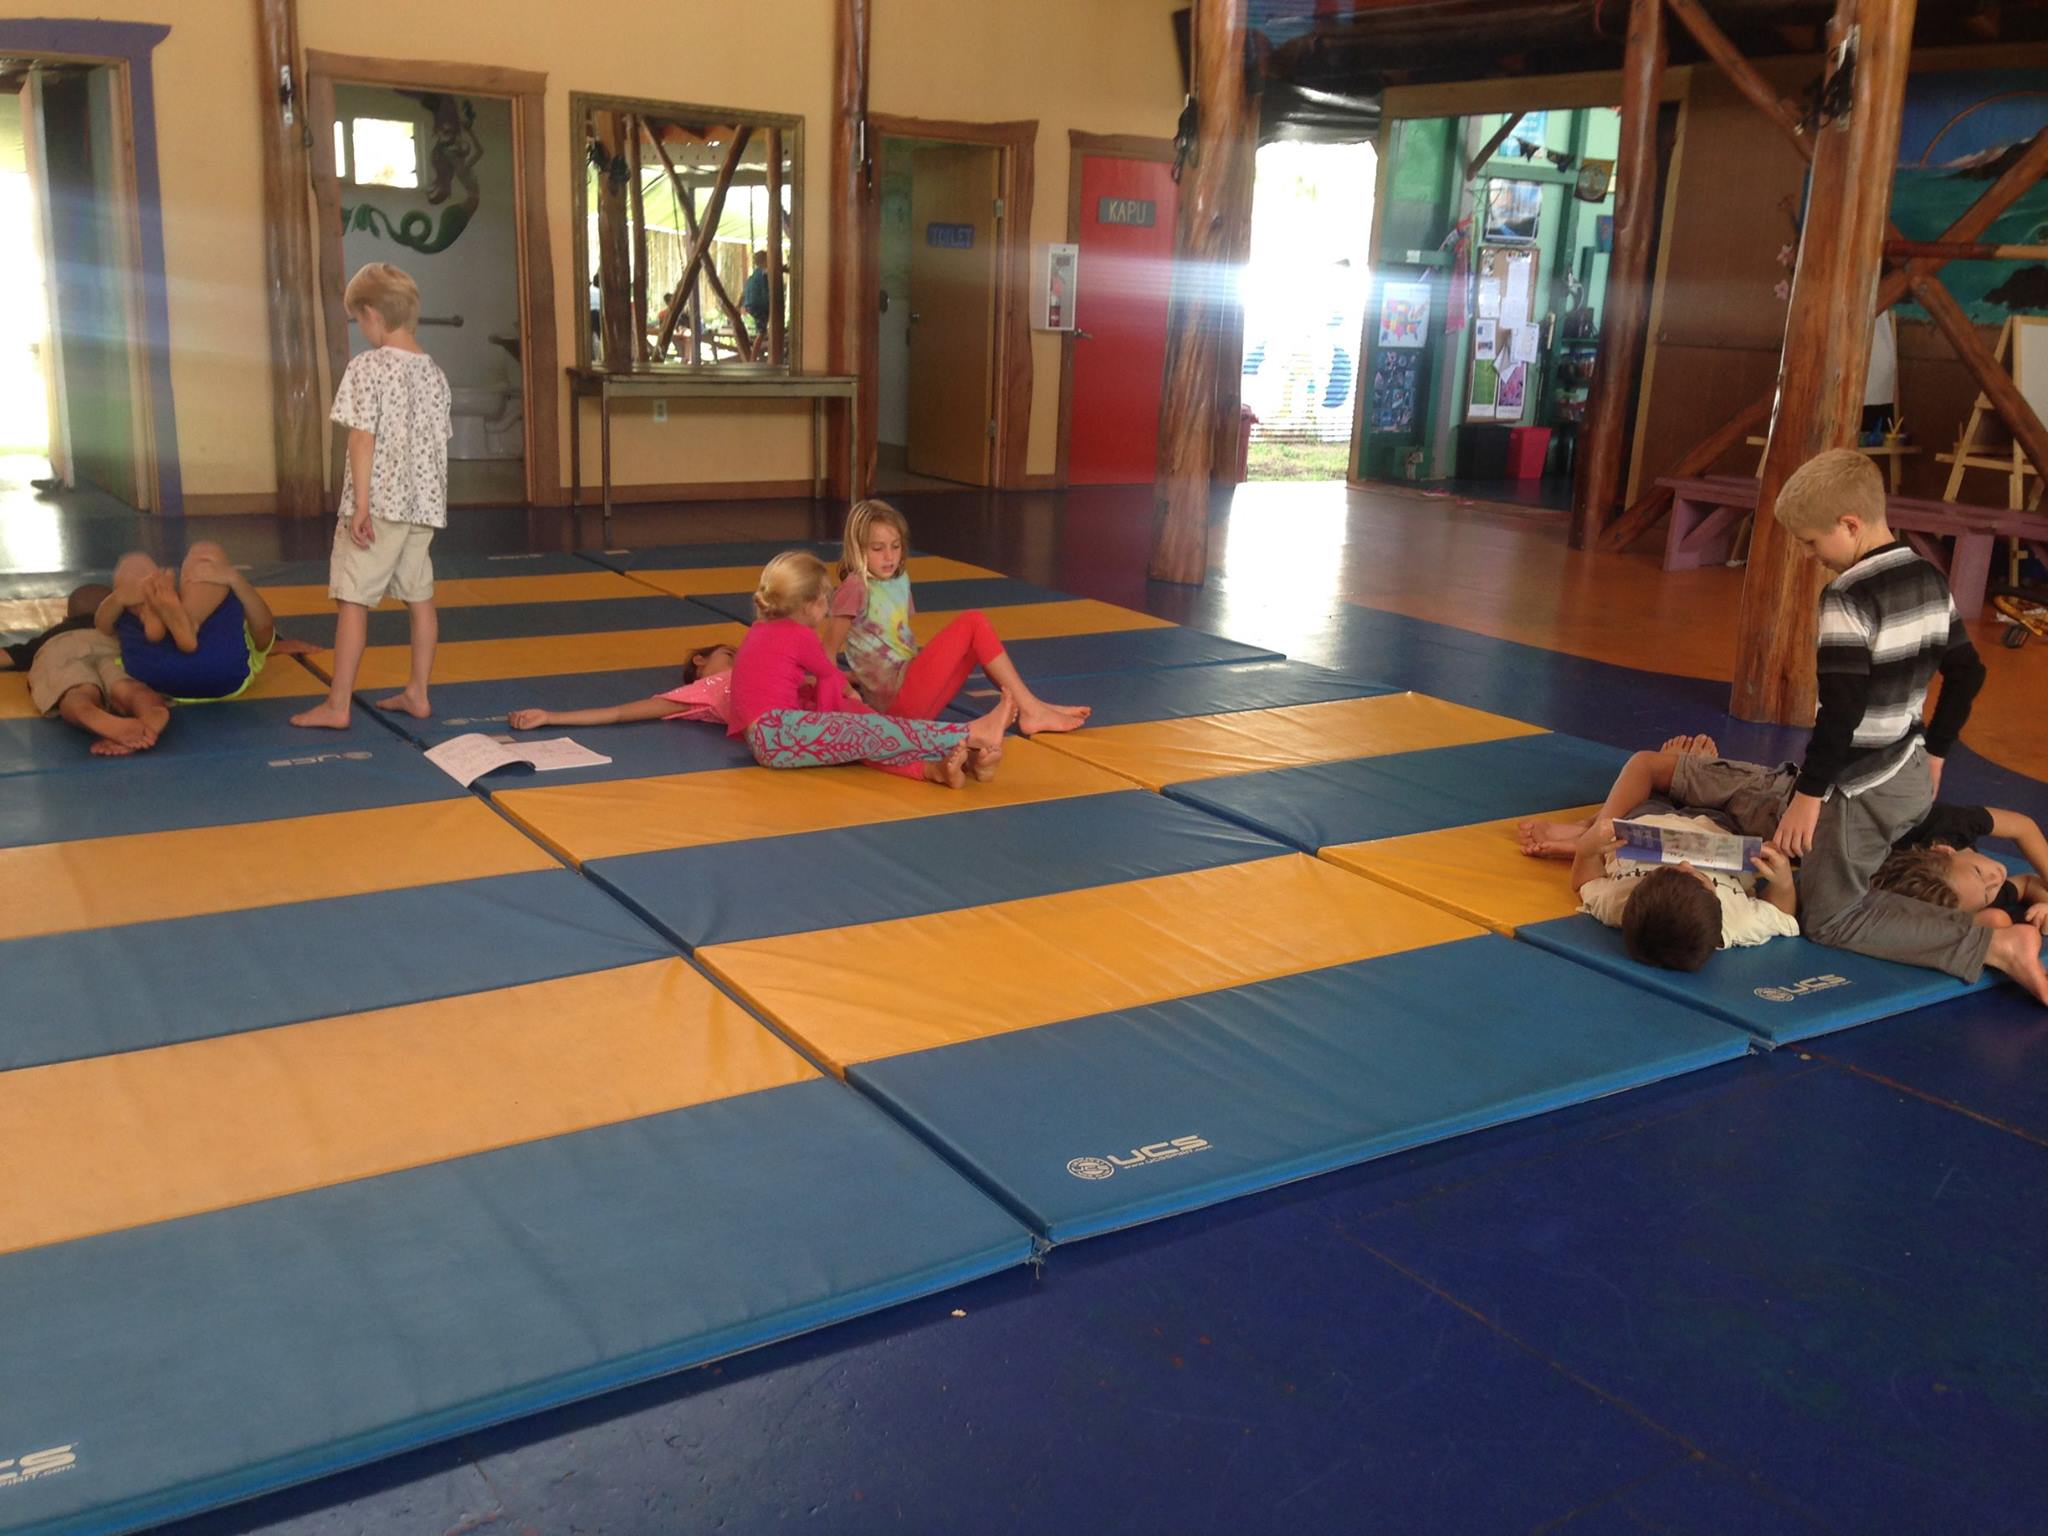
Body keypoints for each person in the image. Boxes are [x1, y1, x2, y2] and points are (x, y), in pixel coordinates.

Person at [1768, 449, 2044, 1002]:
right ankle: (1987, 923)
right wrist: (1935, 753)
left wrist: (1809, 795)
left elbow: (1841, 713)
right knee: (1869, 878)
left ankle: (1993, 944)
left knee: (1830, 917)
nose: (1808, 555)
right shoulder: (1927, 576)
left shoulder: (1846, 596)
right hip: (1912, 773)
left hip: (1863, 784)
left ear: (1850, 525)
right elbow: (1967, 672)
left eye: (1812, 542)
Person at [291, 261, 451, 730]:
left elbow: (362, 439)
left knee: (353, 600)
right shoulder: (435, 374)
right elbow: (438, 443)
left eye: (358, 320)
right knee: (420, 597)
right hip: (422, 507)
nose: (360, 329)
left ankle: (337, 705)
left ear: (372, 315)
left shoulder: (367, 367)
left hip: (377, 504)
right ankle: (418, 693)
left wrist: (361, 505)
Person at [730, 551, 1013, 787]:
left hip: (767, 739)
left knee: (867, 740)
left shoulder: (758, 630)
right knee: (870, 730)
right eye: (825, 601)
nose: (827, 609)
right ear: (808, 606)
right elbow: (828, 675)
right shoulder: (800, 635)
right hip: (779, 733)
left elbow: (773, 683)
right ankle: (969, 733)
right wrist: (849, 697)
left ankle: (941, 767)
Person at [1521, 736, 1801, 971]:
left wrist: (1588, 850)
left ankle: (1587, 828)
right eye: (1698, 876)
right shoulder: (1737, 923)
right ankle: (1693, 766)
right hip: (1717, 824)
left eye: (1670, 868)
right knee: (1706, 791)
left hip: (1644, 821)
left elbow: (1584, 881)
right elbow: (1781, 912)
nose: (1685, 862)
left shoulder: (1622, 905)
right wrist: (1783, 880)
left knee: (1643, 785)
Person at [823, 500, 1090, 737]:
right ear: (858, 549)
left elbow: (892, 643)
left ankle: (1029, 705)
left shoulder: (899, 580)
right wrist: (847, 691)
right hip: (896, 704)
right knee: (974, 622)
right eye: (877, 548)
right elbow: (827, 653)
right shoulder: (855, 587)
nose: (889, 556)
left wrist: (858, 674)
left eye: (896, 546)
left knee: (975, 641)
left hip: (913, 696)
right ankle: (1032, 709)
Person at [95, 544, 278, 704]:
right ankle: (190, 620)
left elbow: (102, 626)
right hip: (223, 674)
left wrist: (119, 597)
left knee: (133, 562)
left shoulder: (130, 622)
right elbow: (264, 629)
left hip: (150, 674)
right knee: (206, 551)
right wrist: (234, 579)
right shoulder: (233, 617)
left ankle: (149, 609)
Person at [19, 583, 171, 756]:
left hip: (63, 646)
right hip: (112, 643)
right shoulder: (119, 627)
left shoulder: (56, 632)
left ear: (66, 618)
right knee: (129, 687)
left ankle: (87, 711)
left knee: (78, 689)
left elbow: (7, 656)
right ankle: (151, 713)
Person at [1874, 805, 2048, 931]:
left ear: (1945, 850)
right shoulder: (1972, 898)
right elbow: (2027, 883)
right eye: (1987, 895)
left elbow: (2023, 827)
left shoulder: (1946, 823)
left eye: (1978, 872)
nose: (1996, 879)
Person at [508, 643, 737, 732]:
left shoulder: (750, 670)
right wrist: (550, 717)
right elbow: (618, 713)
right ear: (700, 660)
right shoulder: (701, 693)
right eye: (730, 655)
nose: (739, 659)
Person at [742, 250, 772, 360]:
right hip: (759, 305)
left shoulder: (754, 274)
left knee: (763, 330)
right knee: (762, 332)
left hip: (752, 304)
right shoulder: (764, 271)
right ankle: (753, 358)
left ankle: (754, 357)